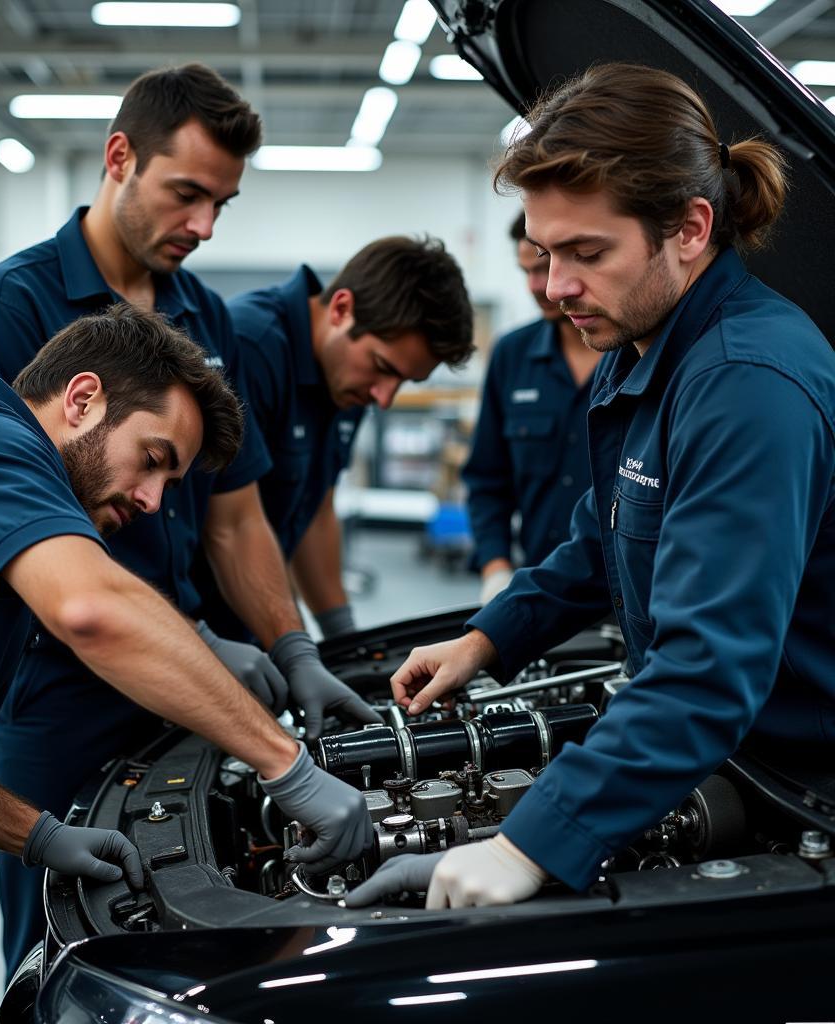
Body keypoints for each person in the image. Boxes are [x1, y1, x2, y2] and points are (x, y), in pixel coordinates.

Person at [346, 62, 835, 911]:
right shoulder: (643, 347)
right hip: (712, 752)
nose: (556, 286)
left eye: (587, 253)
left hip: (800, 786)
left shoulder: (748, 383)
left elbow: (707, 671)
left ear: (690, 227)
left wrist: (528, 843)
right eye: (544, 253)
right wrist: (486, 640)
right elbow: (600, 537)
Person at [0, 304, 371, 1022]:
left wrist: (37, 834)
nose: (150, 500)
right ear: (82, 399)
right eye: (154, 460)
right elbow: (93, 612)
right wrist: (285, 765)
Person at [0, 63, 378, 979]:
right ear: (119, 159)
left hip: (178, 678)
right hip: (55, 694)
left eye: (222, 203)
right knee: (61, 940)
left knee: (179, 926)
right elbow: (20, 529)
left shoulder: (201, 314)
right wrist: (195, 642)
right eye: (186, 195)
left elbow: (236, 515)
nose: (204, 226)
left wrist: (294, 649)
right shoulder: (9, 305)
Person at [196, 237, 474, 642]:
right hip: (199, 625)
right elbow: (232, 524)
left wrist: (342, 636)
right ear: (342, 309)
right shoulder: (249, 347)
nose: (384, 397)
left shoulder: (348, 375)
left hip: (255, 621)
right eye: (383, 367)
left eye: (404, 382)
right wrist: (290, 643)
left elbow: (317, 508)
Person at [463, 212, 601, 604]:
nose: (537, 287)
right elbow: (486, 479)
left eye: (544, 268)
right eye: (525, 271)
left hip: (628, 597)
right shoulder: (512, 354)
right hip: (541, 594)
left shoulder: (636, 357)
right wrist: (496, 569)